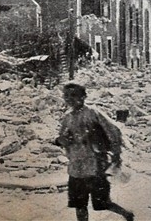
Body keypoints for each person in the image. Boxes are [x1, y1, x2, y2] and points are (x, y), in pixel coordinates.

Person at [55, 82, 134, 221]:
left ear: (84, 96)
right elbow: (62, 137)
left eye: (74, 95)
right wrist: (62, 140)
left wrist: (116, 153)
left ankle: (127, 214)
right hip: (76, 168)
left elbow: (113, 130)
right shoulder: (67, 118)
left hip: (95, 166)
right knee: (79, 204)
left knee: (102, 203)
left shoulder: (93, 113)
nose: (69, 99)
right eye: (66, 95)